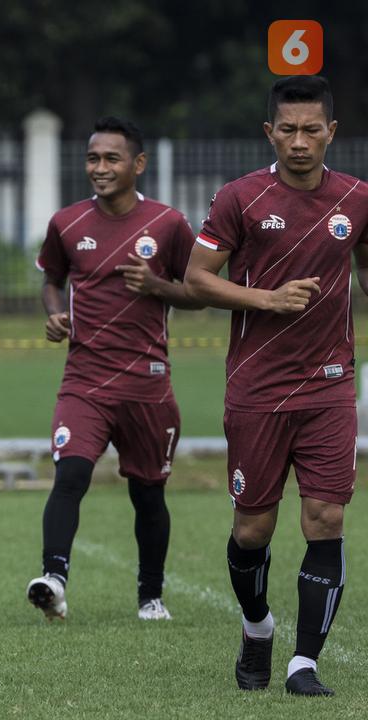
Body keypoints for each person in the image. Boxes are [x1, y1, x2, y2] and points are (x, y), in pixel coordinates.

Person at [185, 75, 365, 697]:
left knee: (325, 516)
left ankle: (304, 663)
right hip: (257, 389)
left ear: (331, 133)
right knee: (252, 530)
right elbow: (196, 279)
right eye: (287, 129)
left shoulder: (357, 199)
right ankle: (257, 626)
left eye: (311, 129)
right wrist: (266, 298)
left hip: (330, 387)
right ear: (270, 132)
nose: (299, 141)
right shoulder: (239, 198)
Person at [27, 117, 200, 622]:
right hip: (84, 380)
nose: (99, 169)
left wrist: (159, 287)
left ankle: (151, 596)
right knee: (70, 474)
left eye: (111, 159)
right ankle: (53, 579)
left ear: (137, 164)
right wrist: (54, 312)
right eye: (92, 159)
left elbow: (200, 292)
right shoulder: (67, 223)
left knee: (147, 494)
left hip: (147, 384)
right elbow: (52, 281)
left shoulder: (169, 225)